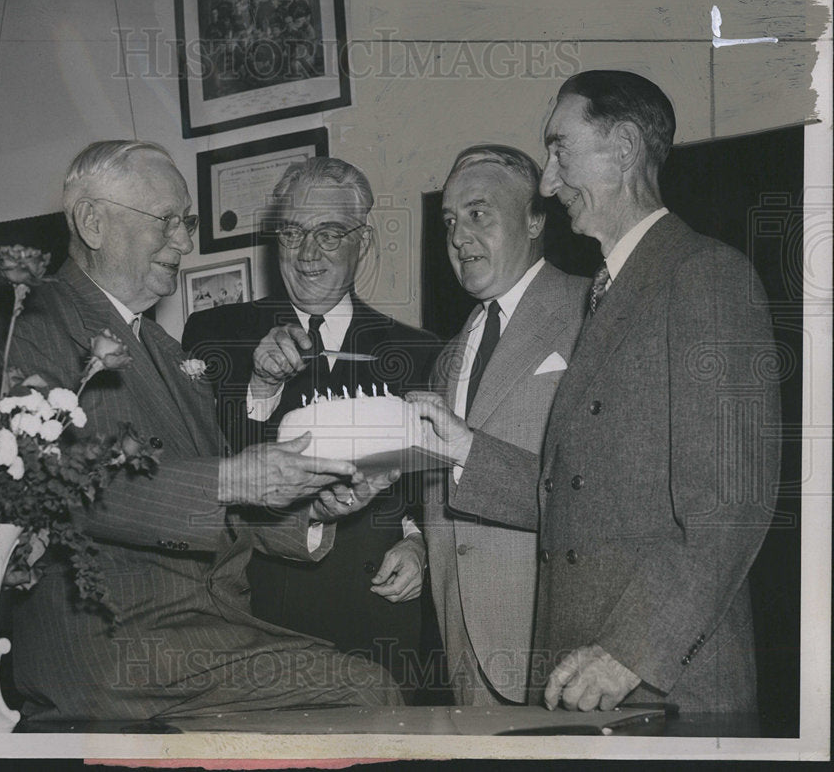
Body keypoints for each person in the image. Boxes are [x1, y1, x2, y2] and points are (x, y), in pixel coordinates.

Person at [0, 141, 405, 722]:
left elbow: (222, 502)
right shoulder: (26, 317)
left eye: (188, 222)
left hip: (202, 635)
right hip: (118, 646)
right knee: (367, 692)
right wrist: (236, 477)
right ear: (93, 222)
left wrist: (315, 508)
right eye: (166, 221)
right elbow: (62, 481)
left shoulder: (171, 353)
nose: (184, 241)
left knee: (367, 683)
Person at [412, 71, 780, 713]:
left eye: (560, 150)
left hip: (664, 689)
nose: (549, 182)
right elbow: (579, 497)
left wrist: (629, 652)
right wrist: (468, 449)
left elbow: (730, 504)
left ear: (626, 147)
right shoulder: (609, 293)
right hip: (585, 680)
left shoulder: (706, 276)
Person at [183, 157, 441, 697]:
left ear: (362, 241)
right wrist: (261, 387)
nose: (307, 254)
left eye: (328, 233)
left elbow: (432, 487)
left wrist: (421, 546)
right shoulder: (214, 332)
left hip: (380, 613)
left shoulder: (418, 351)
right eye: (293, 232)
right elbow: (201, 468)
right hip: (259, 617)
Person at [425, 145, 588, 705]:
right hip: (465, 649)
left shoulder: (594, 310)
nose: (458, 236)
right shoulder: (449, 354)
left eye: (478, 213)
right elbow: (445, 492)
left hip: (562, 645)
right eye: (449, 221)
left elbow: (600, 491)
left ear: (536, 219)